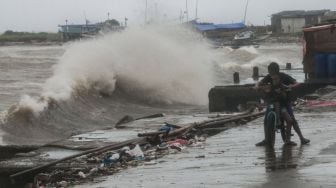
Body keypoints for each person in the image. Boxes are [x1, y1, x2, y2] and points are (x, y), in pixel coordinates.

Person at [255, 62, 310, 146]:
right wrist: (257, 86)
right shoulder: (269, 77)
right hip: (273, 102)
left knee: (292, 120)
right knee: (266, 120)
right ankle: (266, 139)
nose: (272, 77)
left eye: (274, 76)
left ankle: (301, 138)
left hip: (284, 102)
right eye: (271, 74)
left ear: (277, 73)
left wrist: (290, 87)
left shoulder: (284, 77)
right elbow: (260, 84)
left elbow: (296, 83)